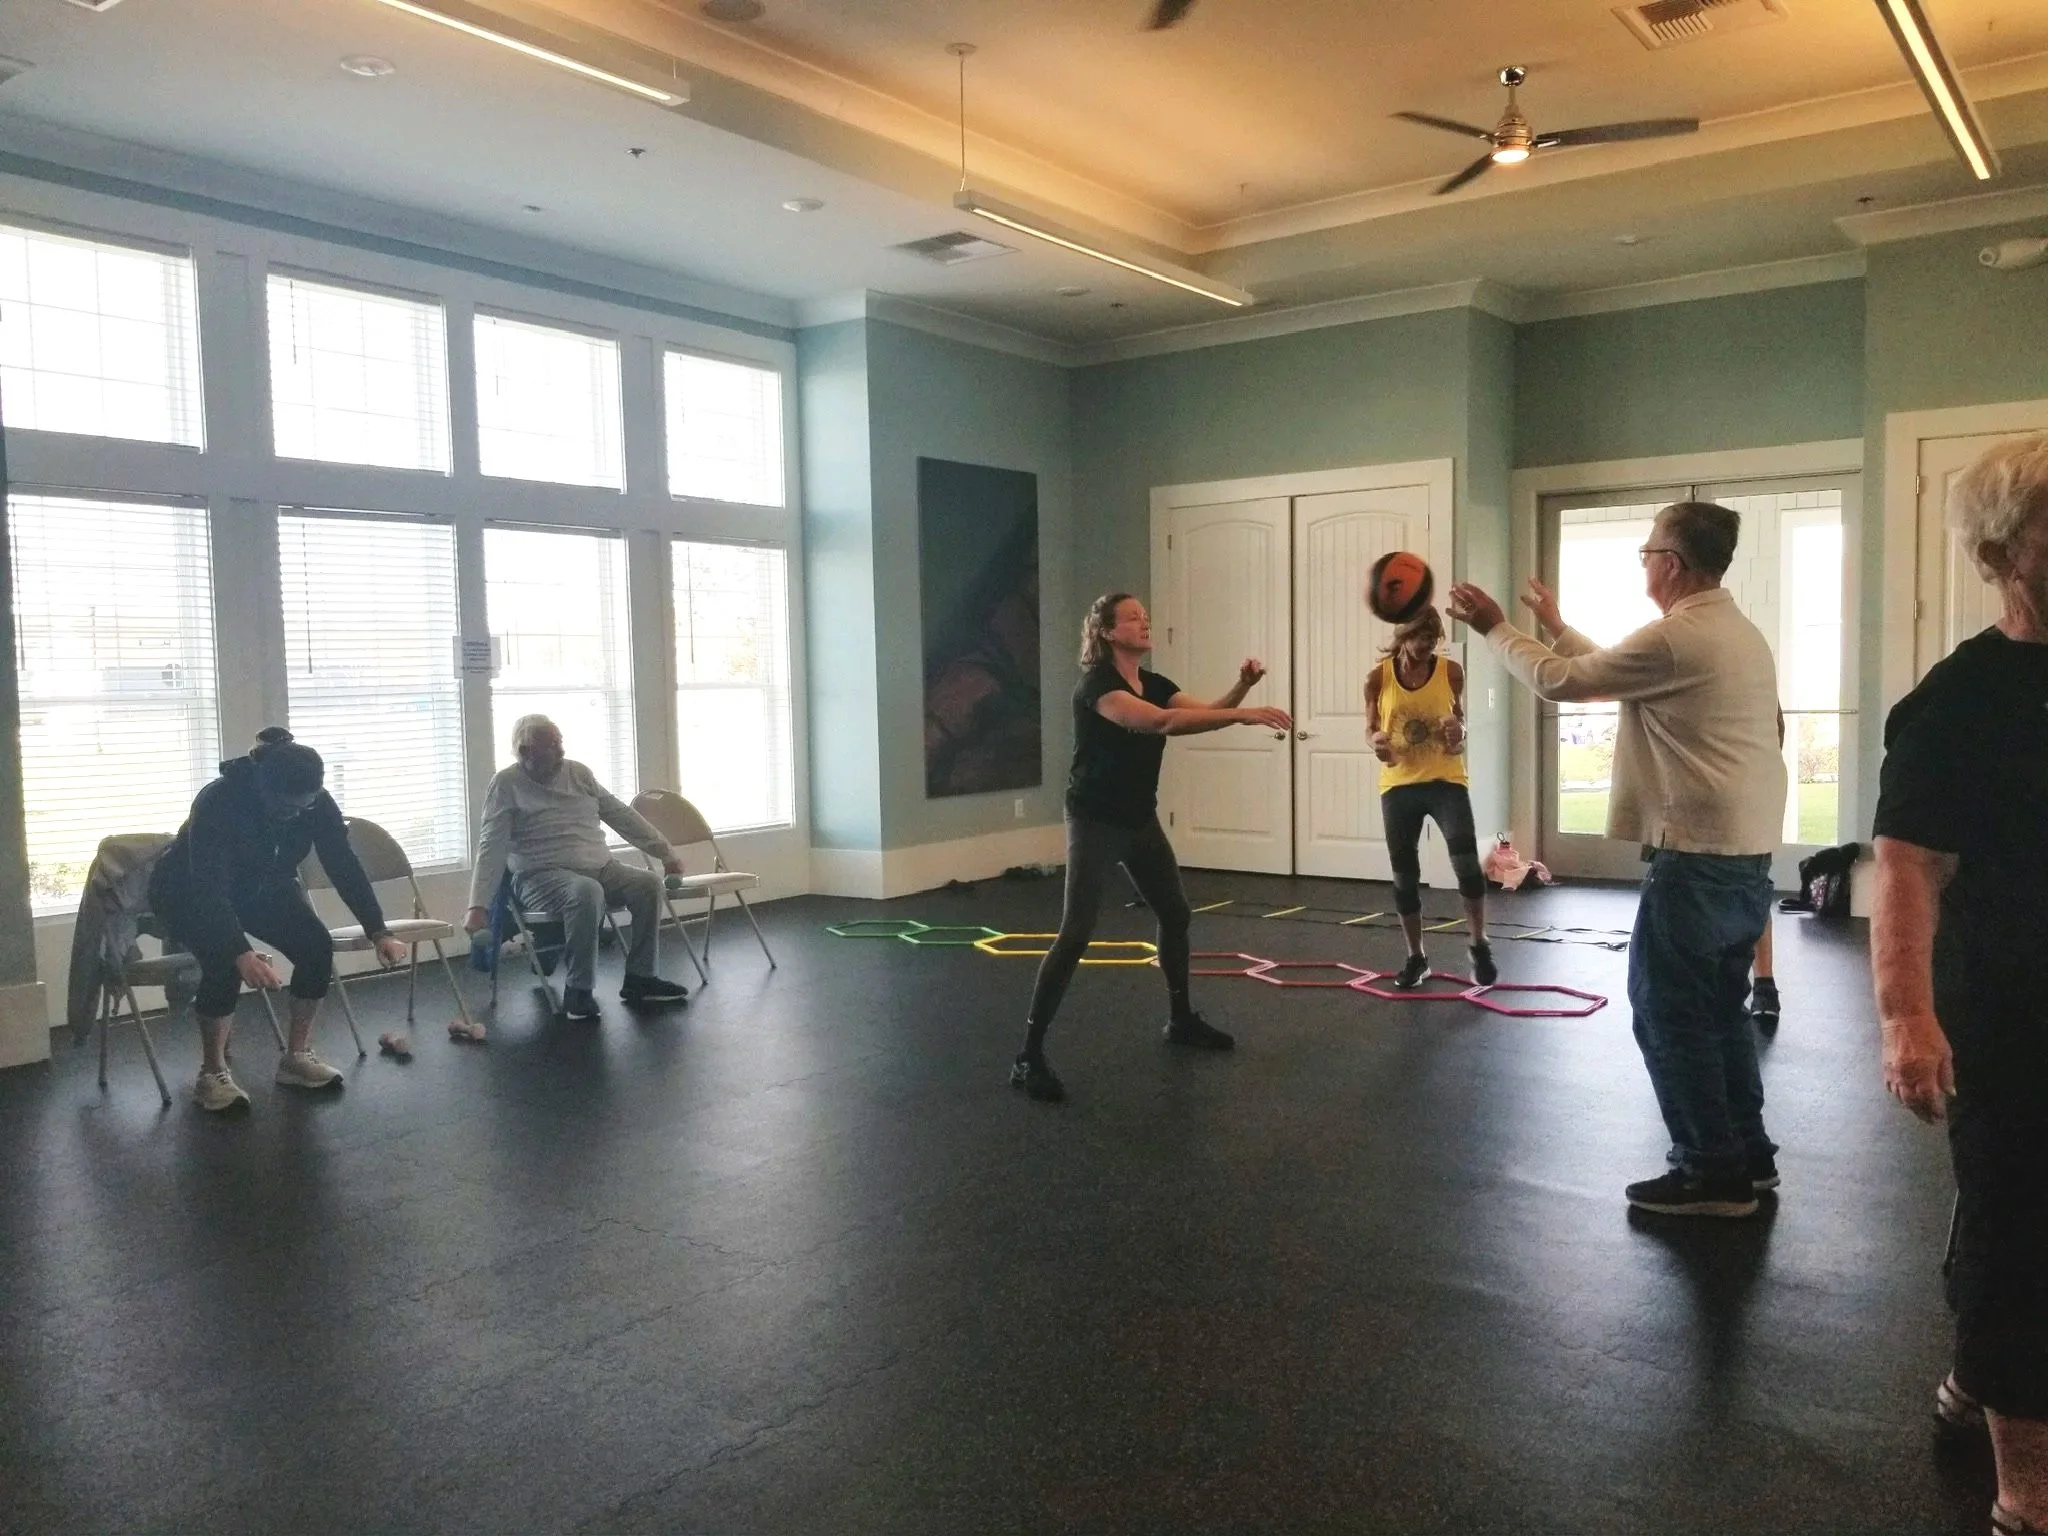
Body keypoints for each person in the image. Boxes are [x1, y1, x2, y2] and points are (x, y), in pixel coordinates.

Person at [1447, 501, 1786, 1218]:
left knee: (1668, 1013)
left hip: (1695, 860)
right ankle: (1746, 1157)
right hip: (1744, 858)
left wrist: (1495, 628)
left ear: (1672, 564)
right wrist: (1556, 625)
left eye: (1647, 551)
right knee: (1719, 1011)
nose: (1644, 561)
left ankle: (1710, 1174)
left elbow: (1563, 682)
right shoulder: (1732, 632)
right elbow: (1612, 672)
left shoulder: (1678, 637)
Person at [1870, 433, 2048, 1536]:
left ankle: (1976, 1376)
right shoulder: (1957, 703)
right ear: (1998, 554)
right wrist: (1906, 1015)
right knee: (2018, 1227)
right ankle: (2026, 1494)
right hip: (2010, 1009)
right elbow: (1907, 866)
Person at [1011, 593, 1292, 1103]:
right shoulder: (1098, 687)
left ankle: (1180, 1019)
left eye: (1145, 616)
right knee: (1076, 933)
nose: (1145, 623)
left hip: (1139, 819)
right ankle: (1028, 1055)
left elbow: (1206, 714)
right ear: (1106, 632)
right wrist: (1247, 713)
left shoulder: (1156, 684)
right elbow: (1161, 723)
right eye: (1133, 618)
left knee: (1175, 913)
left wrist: (1242, 689)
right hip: (1095, 820)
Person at [149, 727, 408, 1112]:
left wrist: (378, 929)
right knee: (224, 959)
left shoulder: (316, 803)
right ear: (263, 787)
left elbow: (343, 865)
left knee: (315, 945)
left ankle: (296, 1057)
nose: (294, 815)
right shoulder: (219, 801)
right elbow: (209, 886)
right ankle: (212, 1072)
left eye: (303, 808)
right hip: (186, 890)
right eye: (286, 808)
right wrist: (241, 951)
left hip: (261, 883)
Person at [464, 715, 690, 1021]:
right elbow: (491, 846)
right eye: (551, 746)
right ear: (526, 751)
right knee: (586, 891)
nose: (560, 751)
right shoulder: (506, 784)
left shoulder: (579, 774)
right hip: (539, 877)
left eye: (560, 743)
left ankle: (641, 978)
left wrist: (666, 853)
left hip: (601, 866)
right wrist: (477, 906)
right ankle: (578, 991)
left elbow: (622, 816)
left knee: (648, 884)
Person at [1364, 604, 1496, 989]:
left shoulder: (1451, 672)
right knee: (1404, 876)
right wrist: (1375, 741)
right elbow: (1369, 728)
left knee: (1466, 864)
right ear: (1403, 636)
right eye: (1420, 638)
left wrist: (1460, 732)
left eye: (1432, 639)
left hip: (1445, 781)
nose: (1426, 646)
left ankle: (1479, 944)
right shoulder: (1377, 677)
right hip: (1398, 785)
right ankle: (1416, 957)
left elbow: (1460, 721)